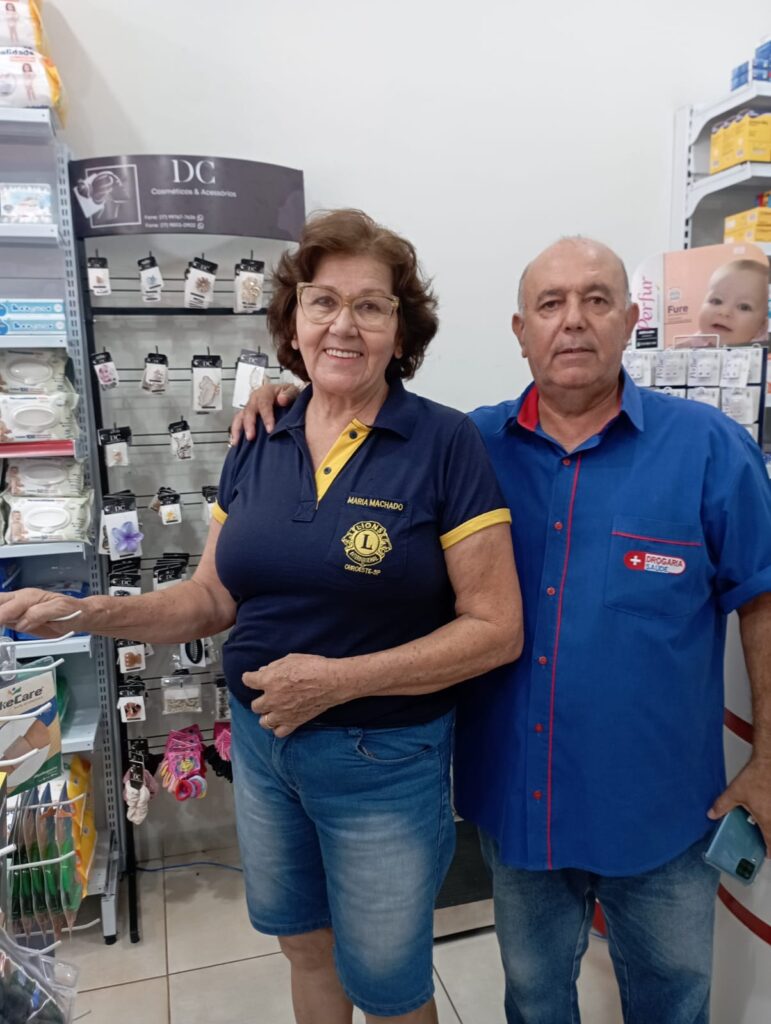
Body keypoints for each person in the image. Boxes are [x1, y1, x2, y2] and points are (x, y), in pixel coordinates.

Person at [0, 209, 523, 1024]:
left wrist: (339, 682)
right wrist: (86, 610)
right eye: (322, 301)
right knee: (303, 945)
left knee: (388, 983)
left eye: (370, 305)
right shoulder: (259, 433)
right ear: (292, 319)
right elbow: (211, 597)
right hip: (261, 749)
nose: (343, 324)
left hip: (381, 760)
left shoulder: (443, 443)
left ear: (400, 329)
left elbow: (496, 628)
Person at [236, 235, 771, 1024]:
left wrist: (768, 758)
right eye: (549, 304)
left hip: (661, 812)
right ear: (520, 331)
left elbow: (760, 602)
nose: (572, 321)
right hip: (521, 804)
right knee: (534, 997)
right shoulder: (463, 447)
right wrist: (287, 396)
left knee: (671, 1000)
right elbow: (352, 417)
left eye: (595, 300)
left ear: (630, 321)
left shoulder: (708, 449)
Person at [696, 257, 769, 346]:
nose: (724, 312)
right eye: (716, 301)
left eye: (743, 307)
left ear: (762, 327)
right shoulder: (696, 341)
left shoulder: (761, 350)